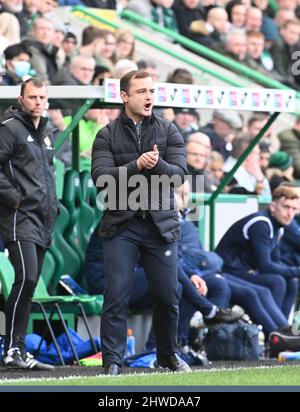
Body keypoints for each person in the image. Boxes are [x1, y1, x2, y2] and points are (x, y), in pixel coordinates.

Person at [91, 69, 189, 375]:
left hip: (161, 225)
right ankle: (113, 363)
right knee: (117, 294)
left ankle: (167, 355)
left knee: (167, 296)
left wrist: (157, 163)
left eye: (151, 91)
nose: (149, 97)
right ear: (124, 96)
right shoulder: (106, 134)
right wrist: (136, 165)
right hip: (121, 226)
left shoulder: (169, 130)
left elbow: (180, 175)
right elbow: (101, 179)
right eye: (142, 92)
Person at [0, 78, 57, 370]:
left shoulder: (47, 131)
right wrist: (15, 198)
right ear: (21, 99)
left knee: (29, 285)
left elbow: (48, 173)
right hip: (19, 217)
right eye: (32, 97)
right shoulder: (10, 129)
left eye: (42, 97)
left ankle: (18, 348)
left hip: (43, 218)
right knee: (27, 279)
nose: (37, 101)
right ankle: (12, 349)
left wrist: (54, 206)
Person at [216, 185, 300, 320]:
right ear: (273, 207)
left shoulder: (279, 227)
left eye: (293, 209)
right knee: (277, 281)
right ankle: (275, 331)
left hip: (247, 270)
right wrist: (296, 270)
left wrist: (294, 273)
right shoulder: (261, 223)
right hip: (228, 270)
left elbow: (275, 261)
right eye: (286, 207)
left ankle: (284, 331)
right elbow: (265, 266)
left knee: (292, 281)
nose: (290, 213)